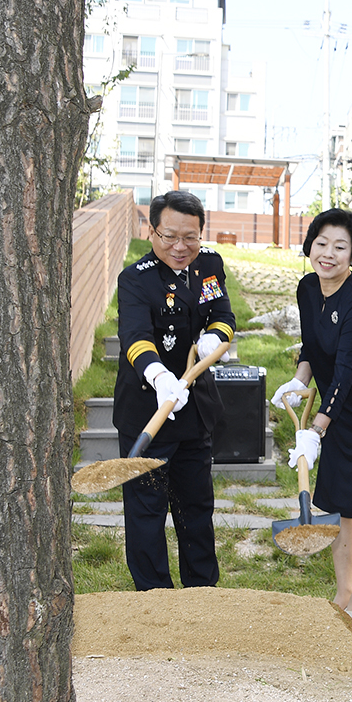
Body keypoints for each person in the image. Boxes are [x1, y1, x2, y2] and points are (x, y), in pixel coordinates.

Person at [272, 208, 352, 612]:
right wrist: (300, 379)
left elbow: (347, 371)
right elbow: (313, 343)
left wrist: (316, 429)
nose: (328, 254)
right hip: (336, 403)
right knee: (338, 500)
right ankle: (342, 591)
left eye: (340, 247)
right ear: (310, 245)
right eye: (322, 243)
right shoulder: (308, 288)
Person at [114, 190, 235, 591]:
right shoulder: (136, 279)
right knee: (147, 512)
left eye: (191, 237)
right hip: (147, 410)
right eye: (170, 237)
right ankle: (154, 599)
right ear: (152, 231)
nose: (181, 247)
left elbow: (222, 315)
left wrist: (213, 338)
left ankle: (202, 594)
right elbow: (135, 337)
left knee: (196, 508)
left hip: (194, 411)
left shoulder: (209, 266)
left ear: (201, 233)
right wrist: (160, 377)